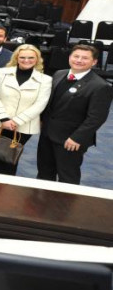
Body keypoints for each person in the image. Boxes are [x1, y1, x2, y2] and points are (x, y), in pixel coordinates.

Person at [37, 44, 113, 185]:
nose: (79, 60)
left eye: (85, 58)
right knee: (44, 172)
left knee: (67, 177)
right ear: (70, 57)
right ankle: (42, 204)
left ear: (94, 62)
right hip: (47, 134)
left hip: (70, 140)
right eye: (76, 56)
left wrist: (77, 138)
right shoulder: (59, 74)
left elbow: (96, 118)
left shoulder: (100, 86)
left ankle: (64, 207)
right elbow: (51, 103)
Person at [0, 45, 51, 175]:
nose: (26, 60)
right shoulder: (2, 72)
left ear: (37, 59)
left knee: (9, 158)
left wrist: (16, 121)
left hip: (23, 126)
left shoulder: (45, 80)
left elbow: (40, 104)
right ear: (16, 58)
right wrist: (4, 118)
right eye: (22, 57)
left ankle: (5, 187)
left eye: (31, 57)